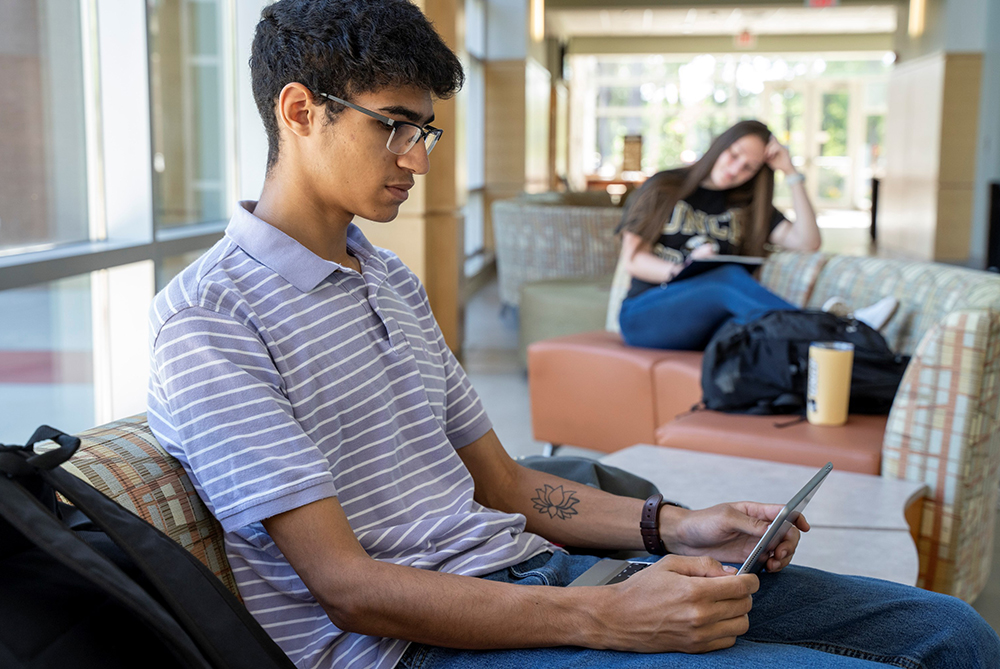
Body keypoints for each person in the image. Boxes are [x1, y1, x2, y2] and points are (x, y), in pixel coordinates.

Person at [146, 2, 999, 668]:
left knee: (952, 634)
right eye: (393, 126)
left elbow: (509, 484)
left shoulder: (389, 280)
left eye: (426, 130)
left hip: (535, 581)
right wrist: (606, 615)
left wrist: (679, 526)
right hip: (423, 648)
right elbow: (351, 590)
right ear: (300, 111)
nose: (420, 158)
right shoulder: (211, 319)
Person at [616, 121, 896, 351]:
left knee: (758, 330)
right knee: (724, 278)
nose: (736, 169)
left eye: (749, 166)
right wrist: (686, 270)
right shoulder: (665, 187)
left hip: (707, 323)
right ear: (720, 146)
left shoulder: (748, 206)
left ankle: (840, 343)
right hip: (646, 314)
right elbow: (633, 259)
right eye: (734, 155)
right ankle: (843, 329)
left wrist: (790, 171)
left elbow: (808, 243)